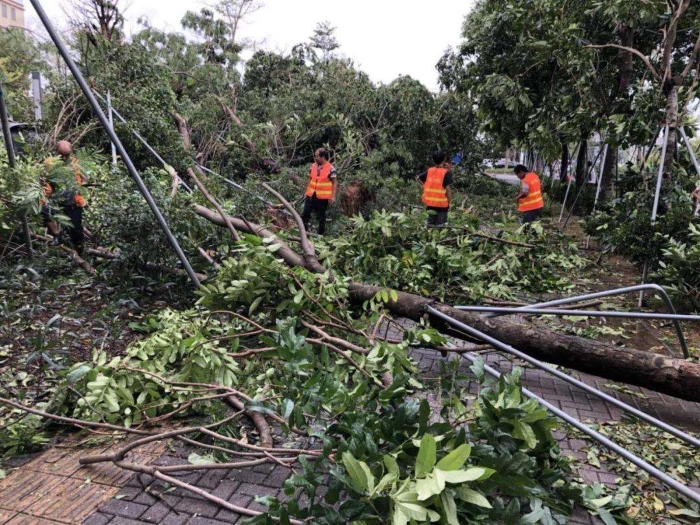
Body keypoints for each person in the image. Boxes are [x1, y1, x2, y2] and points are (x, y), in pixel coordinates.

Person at [41, 141, 87, 252]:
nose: (65, 158)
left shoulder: (75, 164)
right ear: (56, 152)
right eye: (62, 155)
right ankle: (57, 236)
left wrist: (82, 182)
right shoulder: (49, 163)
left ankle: (79, 250)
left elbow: (84, 178)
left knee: (75, 230)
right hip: (55, 199)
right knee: (44, 209)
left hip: (72, 201)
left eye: (67, 155)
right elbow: (43, 179)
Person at [301, 148, 337, 235]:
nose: (315, 158)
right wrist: (306, 191)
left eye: (317, 156)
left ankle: (320, 235)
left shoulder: (331, 168)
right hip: (310, 194)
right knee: (305, 213)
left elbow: (335, 183)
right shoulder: (313, 166)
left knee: (321, 217)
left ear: (323, 157)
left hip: (322, 197)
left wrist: (333, 196)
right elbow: (310, 179)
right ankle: (304, 233)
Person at [417, 150, 453, 227]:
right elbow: (448, 190)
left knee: (430, 226)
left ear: (433, 160)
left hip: (430, 204)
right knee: (440, 227)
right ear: (443, 160)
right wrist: (450, 203)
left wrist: (424, 186)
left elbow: (418, 178)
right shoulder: (445, 173)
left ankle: (428, 238)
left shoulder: (430, 170)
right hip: (442, 205)